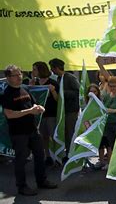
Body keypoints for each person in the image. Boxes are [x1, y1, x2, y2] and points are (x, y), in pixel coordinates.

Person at [2, 65, 57, 195]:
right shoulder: (6, 93)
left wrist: (38, 107)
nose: (19, 77)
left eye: (20, 74)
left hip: (32, 129)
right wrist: (30, 111)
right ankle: (22, 186)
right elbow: (9, 114)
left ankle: (41, 181)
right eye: (15, 75)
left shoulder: (25, 88)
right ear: (8, 78)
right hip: (18, 133)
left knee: (40, 155)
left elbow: (32, 104)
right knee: (21, 160)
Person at [49, 58, 80, 163]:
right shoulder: (58, 78)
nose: (51, 70)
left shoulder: (70, 77)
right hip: (63, 110)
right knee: (65, 132)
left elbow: (78, 92)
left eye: (52, 68)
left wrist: (63, 93)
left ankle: (72, 155)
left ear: (56, 68)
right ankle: (67, 153)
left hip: (71, 110)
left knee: (70, 132)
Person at [95, 76, 116, 170]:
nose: (112, 88)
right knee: (110, 144)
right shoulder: (107, 96)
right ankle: (113, 163)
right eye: (110, 86)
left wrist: (113, 111)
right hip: (107, 124)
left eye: (114, 86)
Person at [33, 61, 59, 166]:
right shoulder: (34, 83)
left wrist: (52, 91)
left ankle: (57, 156)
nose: (33, 71)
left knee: (54, 136)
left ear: (40, 70)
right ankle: (47, 156)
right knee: (43, 137)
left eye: (34, 69)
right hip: (40, 115)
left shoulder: (52, 82)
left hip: (51, 114)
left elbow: (58, 99)